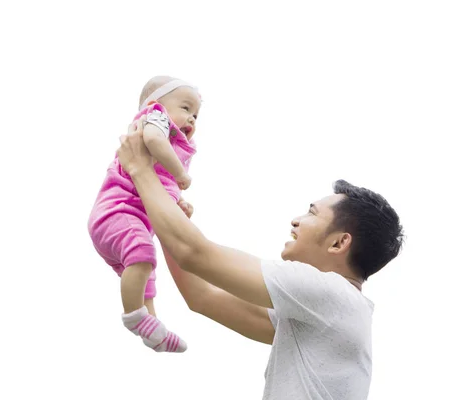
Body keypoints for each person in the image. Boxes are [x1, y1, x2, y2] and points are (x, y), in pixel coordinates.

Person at [116, 120, 405, 399]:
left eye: (312, 213)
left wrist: (141, 169)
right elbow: (202, 296)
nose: (296, 221)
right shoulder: (321, 313)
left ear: (339, 242)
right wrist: (168, 216)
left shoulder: (330, 294)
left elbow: (194, 253)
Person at [87, 76, 201, 353]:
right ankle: (135, 317)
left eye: (197, 115)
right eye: (186, 108)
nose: (193, 119)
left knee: (146, 272)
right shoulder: (155, 119)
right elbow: (153, 140)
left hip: (126, 220)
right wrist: (180, 173)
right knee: (143, 255)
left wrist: (178, 202)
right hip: (117, 213)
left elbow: (158, 186)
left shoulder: (170, 138)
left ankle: (154, 329)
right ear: (155, 103)